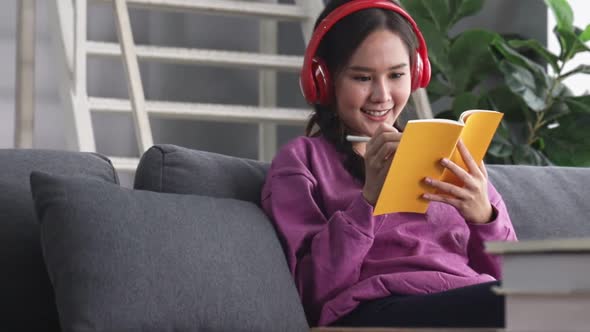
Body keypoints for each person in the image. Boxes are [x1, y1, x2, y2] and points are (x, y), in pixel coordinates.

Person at [261, 0, 518, 328]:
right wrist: (368, 202)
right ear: (324, 80)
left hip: (470, 298)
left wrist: (485, 217)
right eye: (362, 78)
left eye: (396, 74)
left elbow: (513, 274)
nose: (382, 95)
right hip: (377, 308)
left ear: (416, 74)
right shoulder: (302, 161)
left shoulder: (446, 150)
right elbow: (310, 290)